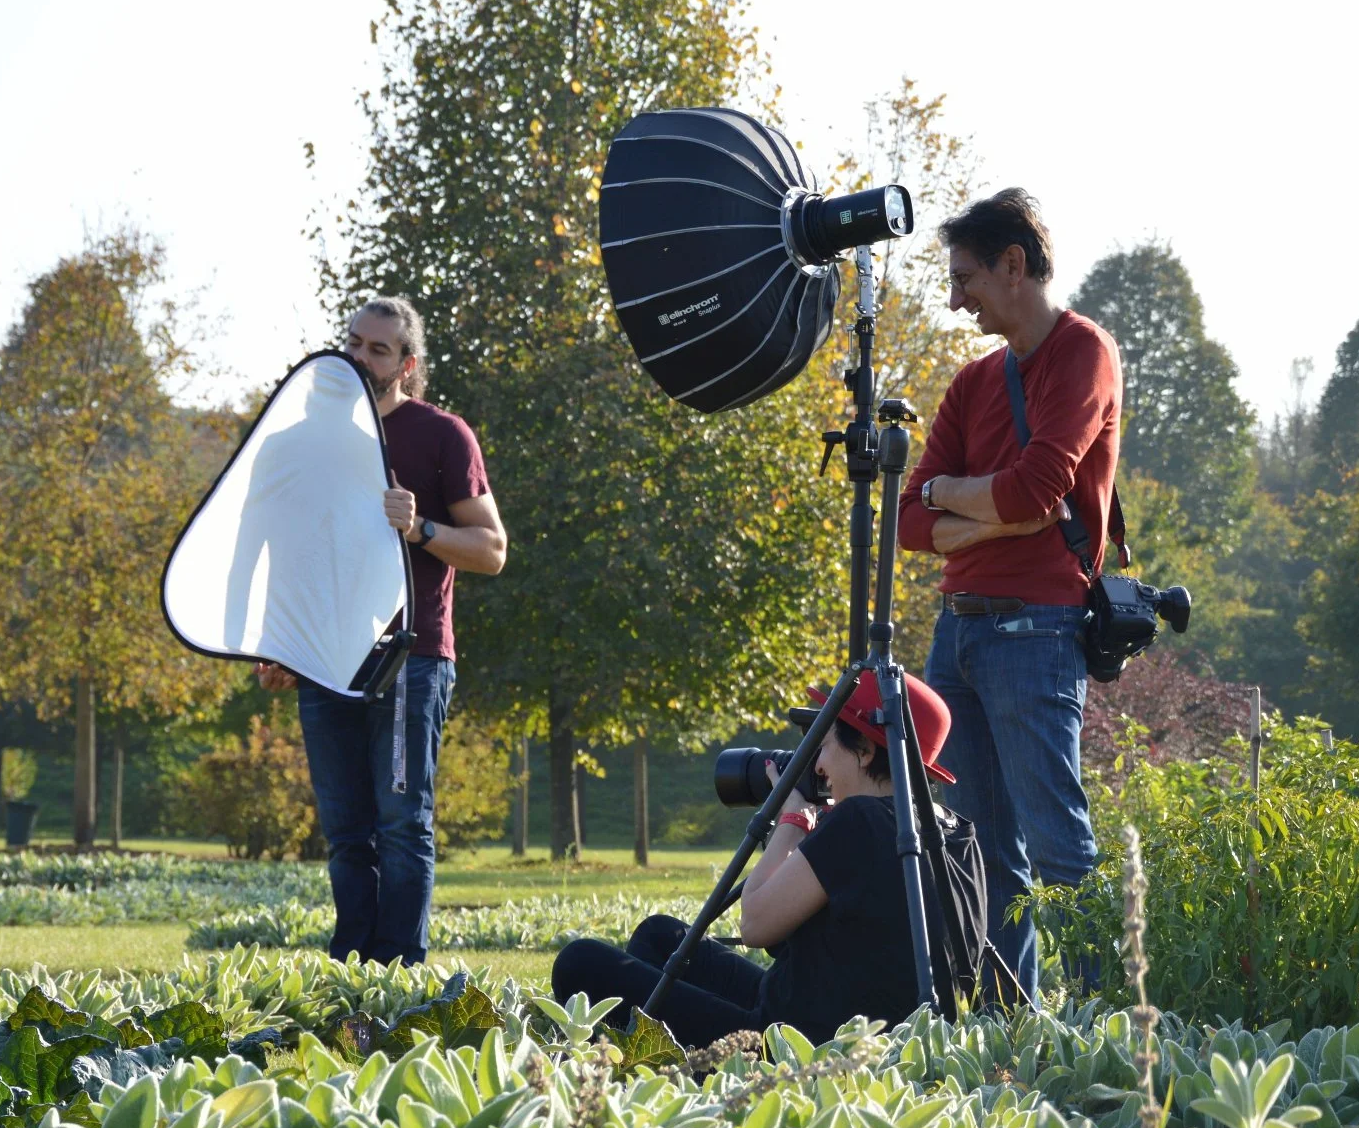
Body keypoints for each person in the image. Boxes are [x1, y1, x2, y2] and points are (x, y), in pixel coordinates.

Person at [896, 188, 1122, 997]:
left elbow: (1037, 493)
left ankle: (1110, 1027)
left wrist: (967, 499)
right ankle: (1008, 1026)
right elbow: (910, 522)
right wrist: (989, 510)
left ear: (1013, 266)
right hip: (953, 637)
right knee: (980, 851)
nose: (955, 300)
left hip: (1037, 631)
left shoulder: (1083, 354)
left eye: (965, 279)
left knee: (1057, 844)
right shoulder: (971, 382)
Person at [258, 297, 507, 964]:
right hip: (325, 656)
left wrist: (420, 528)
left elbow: (490, 550)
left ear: (407, 363)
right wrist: (280, 643)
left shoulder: (442, 435)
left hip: (411, 656)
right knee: (345, 833)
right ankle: (351, 970)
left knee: (401, 827)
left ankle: (399, 971)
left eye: (377, 349)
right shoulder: (307, 439)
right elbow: (287, 550)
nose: (360, 357)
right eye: (353, 343)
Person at [550, 678, 965, 1047]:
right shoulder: (958, 835)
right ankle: (648, 1043)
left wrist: (792, 819)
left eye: (824, 746)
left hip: (789, 1045)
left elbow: (754, 925)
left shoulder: (859, 821)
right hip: (848, 1021)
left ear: (866, 749)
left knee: (579, 962)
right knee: (661, 936)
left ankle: (657, 1050)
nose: (817, 766)